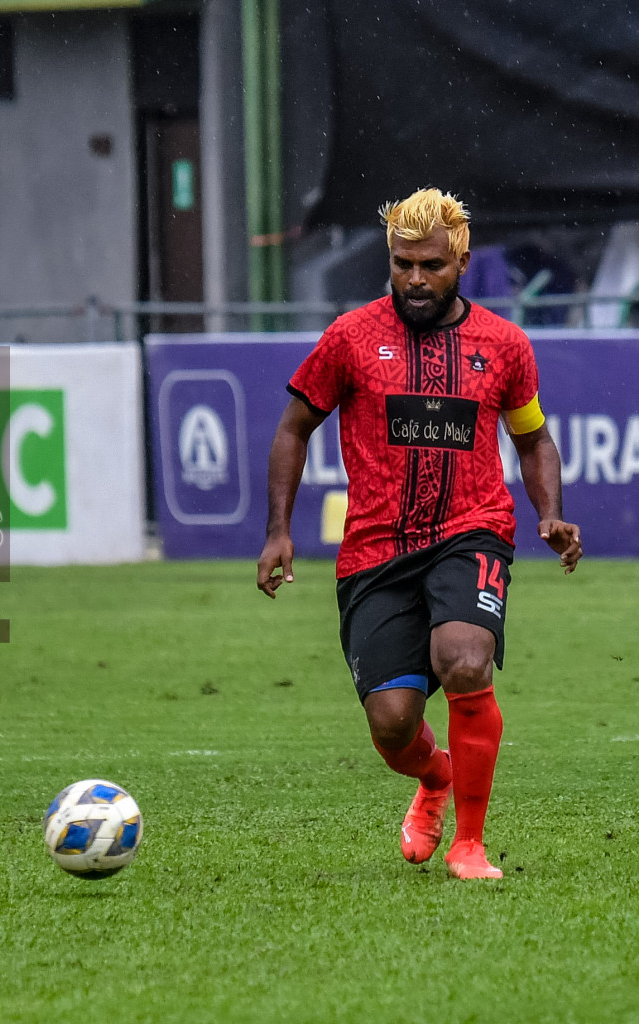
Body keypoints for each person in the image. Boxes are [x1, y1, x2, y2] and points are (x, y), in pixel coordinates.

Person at [256, 188, 582, 880]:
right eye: (403, 264)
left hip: (474, 531)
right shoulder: (349, 337)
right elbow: (292, 428)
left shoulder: (503, 344)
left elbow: (533, 439)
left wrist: (547, 510)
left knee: (464, 659)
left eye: (430, 265)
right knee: (392, 724)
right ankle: (432, 779)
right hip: (375, 551)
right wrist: (277, 531)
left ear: (460, 261)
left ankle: (469, 843)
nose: (414, 279)